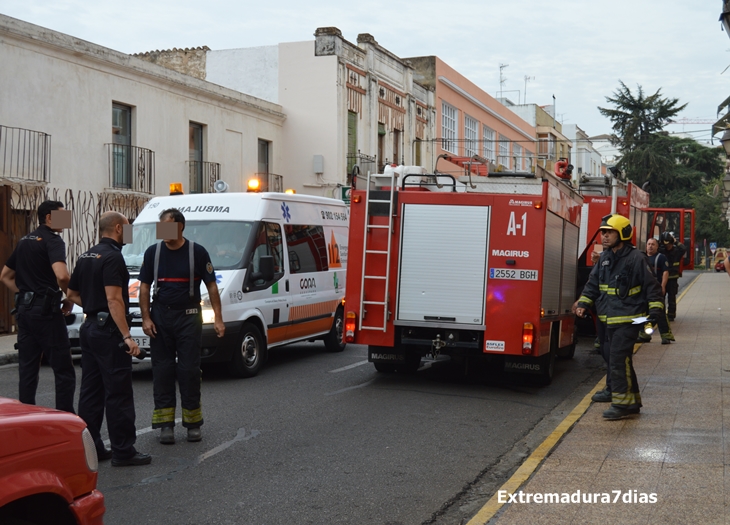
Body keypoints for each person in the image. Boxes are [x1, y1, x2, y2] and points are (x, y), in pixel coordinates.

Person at [67, 211, 152, 467]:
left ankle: (92, 447)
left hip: (90, 327)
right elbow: (115, 299)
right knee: (118, 391)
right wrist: (127, 336)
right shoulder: (114, 257)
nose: (130, 233)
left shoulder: (86, 255)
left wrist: (93, 307)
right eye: (127, 228)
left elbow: (71, 293)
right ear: (117, 228)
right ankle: (123, 451)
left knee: (91, 392)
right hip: (108, 333)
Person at [138, 208, 224, 444]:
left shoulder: (197, 252)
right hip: (160, 318)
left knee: (188, 370)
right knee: (162, 370)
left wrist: (218, 317)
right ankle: (166, 425)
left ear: (180, 226)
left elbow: (212, 286)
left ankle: (193, 423)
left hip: (188, 316)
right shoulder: (152, 253)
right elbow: (144, 288)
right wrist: (146, 318)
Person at [575, 214, 664, 420]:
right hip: (610, 319)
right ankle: (631, 402)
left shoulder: (636, 258)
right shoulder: (605, 258)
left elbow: (653, 287)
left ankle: (621, 405)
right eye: (603, 232)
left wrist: (654, 313)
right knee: (621, 360)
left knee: (617, 358)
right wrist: (583, 303)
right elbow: (593, 284)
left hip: (630, 319)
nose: (604, 236)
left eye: (609, 232)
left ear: (623, 233)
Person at [0, 200, 76, 413]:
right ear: (49, 218)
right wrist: (70, 296)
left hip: (24, 313)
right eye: (62, 215)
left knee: (28, 371)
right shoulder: (53, 241)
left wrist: (26, 294)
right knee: (63, 371)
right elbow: (62, 275)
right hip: (47, 314)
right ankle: (65, 418)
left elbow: (5, 276)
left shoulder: (25, 240)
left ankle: (26, 418)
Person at [639, 238, 674, 345]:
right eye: (649, 244)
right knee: (643, 312)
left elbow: (665, 272)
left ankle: (666, 336)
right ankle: (644, 335)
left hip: (656, 290)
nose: (650, 246)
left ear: (657, 246)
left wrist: (663, 286)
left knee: (660, 313)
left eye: (653, 244)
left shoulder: (661, 258)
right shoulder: (642, 258)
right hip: (644, 290)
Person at [658, 231, 685, 321]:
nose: (667, 246)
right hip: (662, 279)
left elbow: (683, 248)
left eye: (669, 244)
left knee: (671, 299)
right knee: (661, 297)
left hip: (673, 279)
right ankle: (661, 315)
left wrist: (676, 241)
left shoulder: (677, 251)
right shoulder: (661, 251)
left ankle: (671, 315)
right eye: (665, 244)